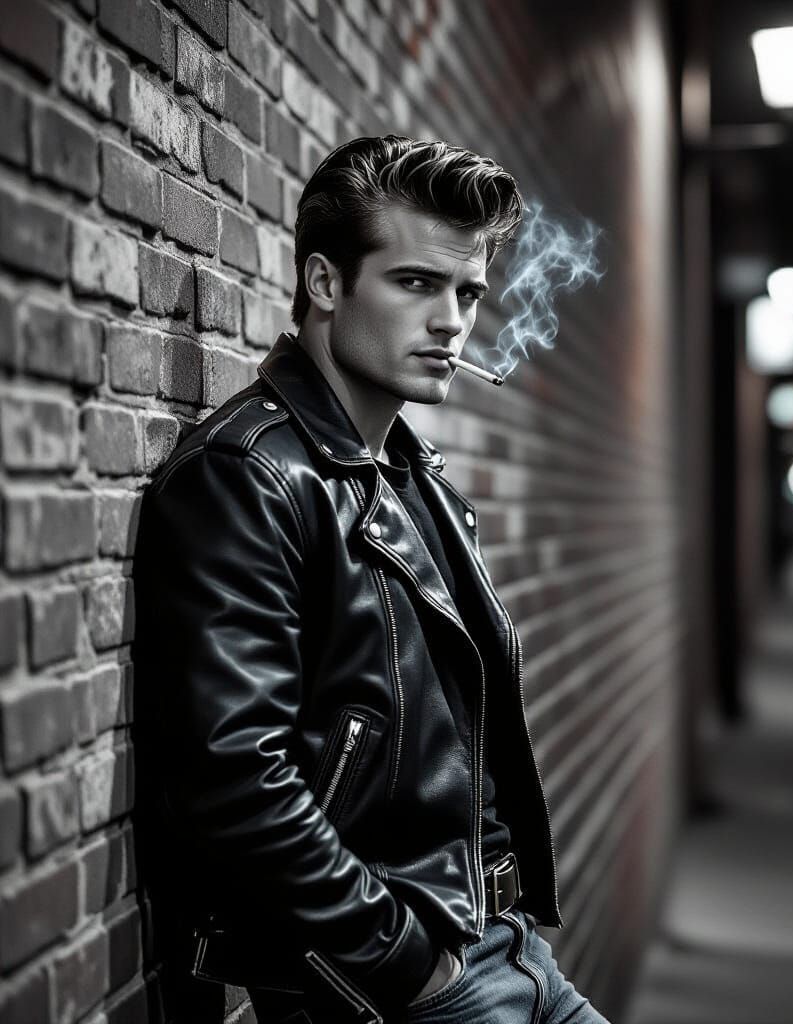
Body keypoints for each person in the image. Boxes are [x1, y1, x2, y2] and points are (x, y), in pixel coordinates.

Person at [131, 135, 611, 1024]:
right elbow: (236, 778)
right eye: (416, 284)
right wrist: (404, 963)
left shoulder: (411, 475)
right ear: (324, 284)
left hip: (502, 950)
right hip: (407, 983)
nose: (453, 322)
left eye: (467, 292)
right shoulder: (252, 476)